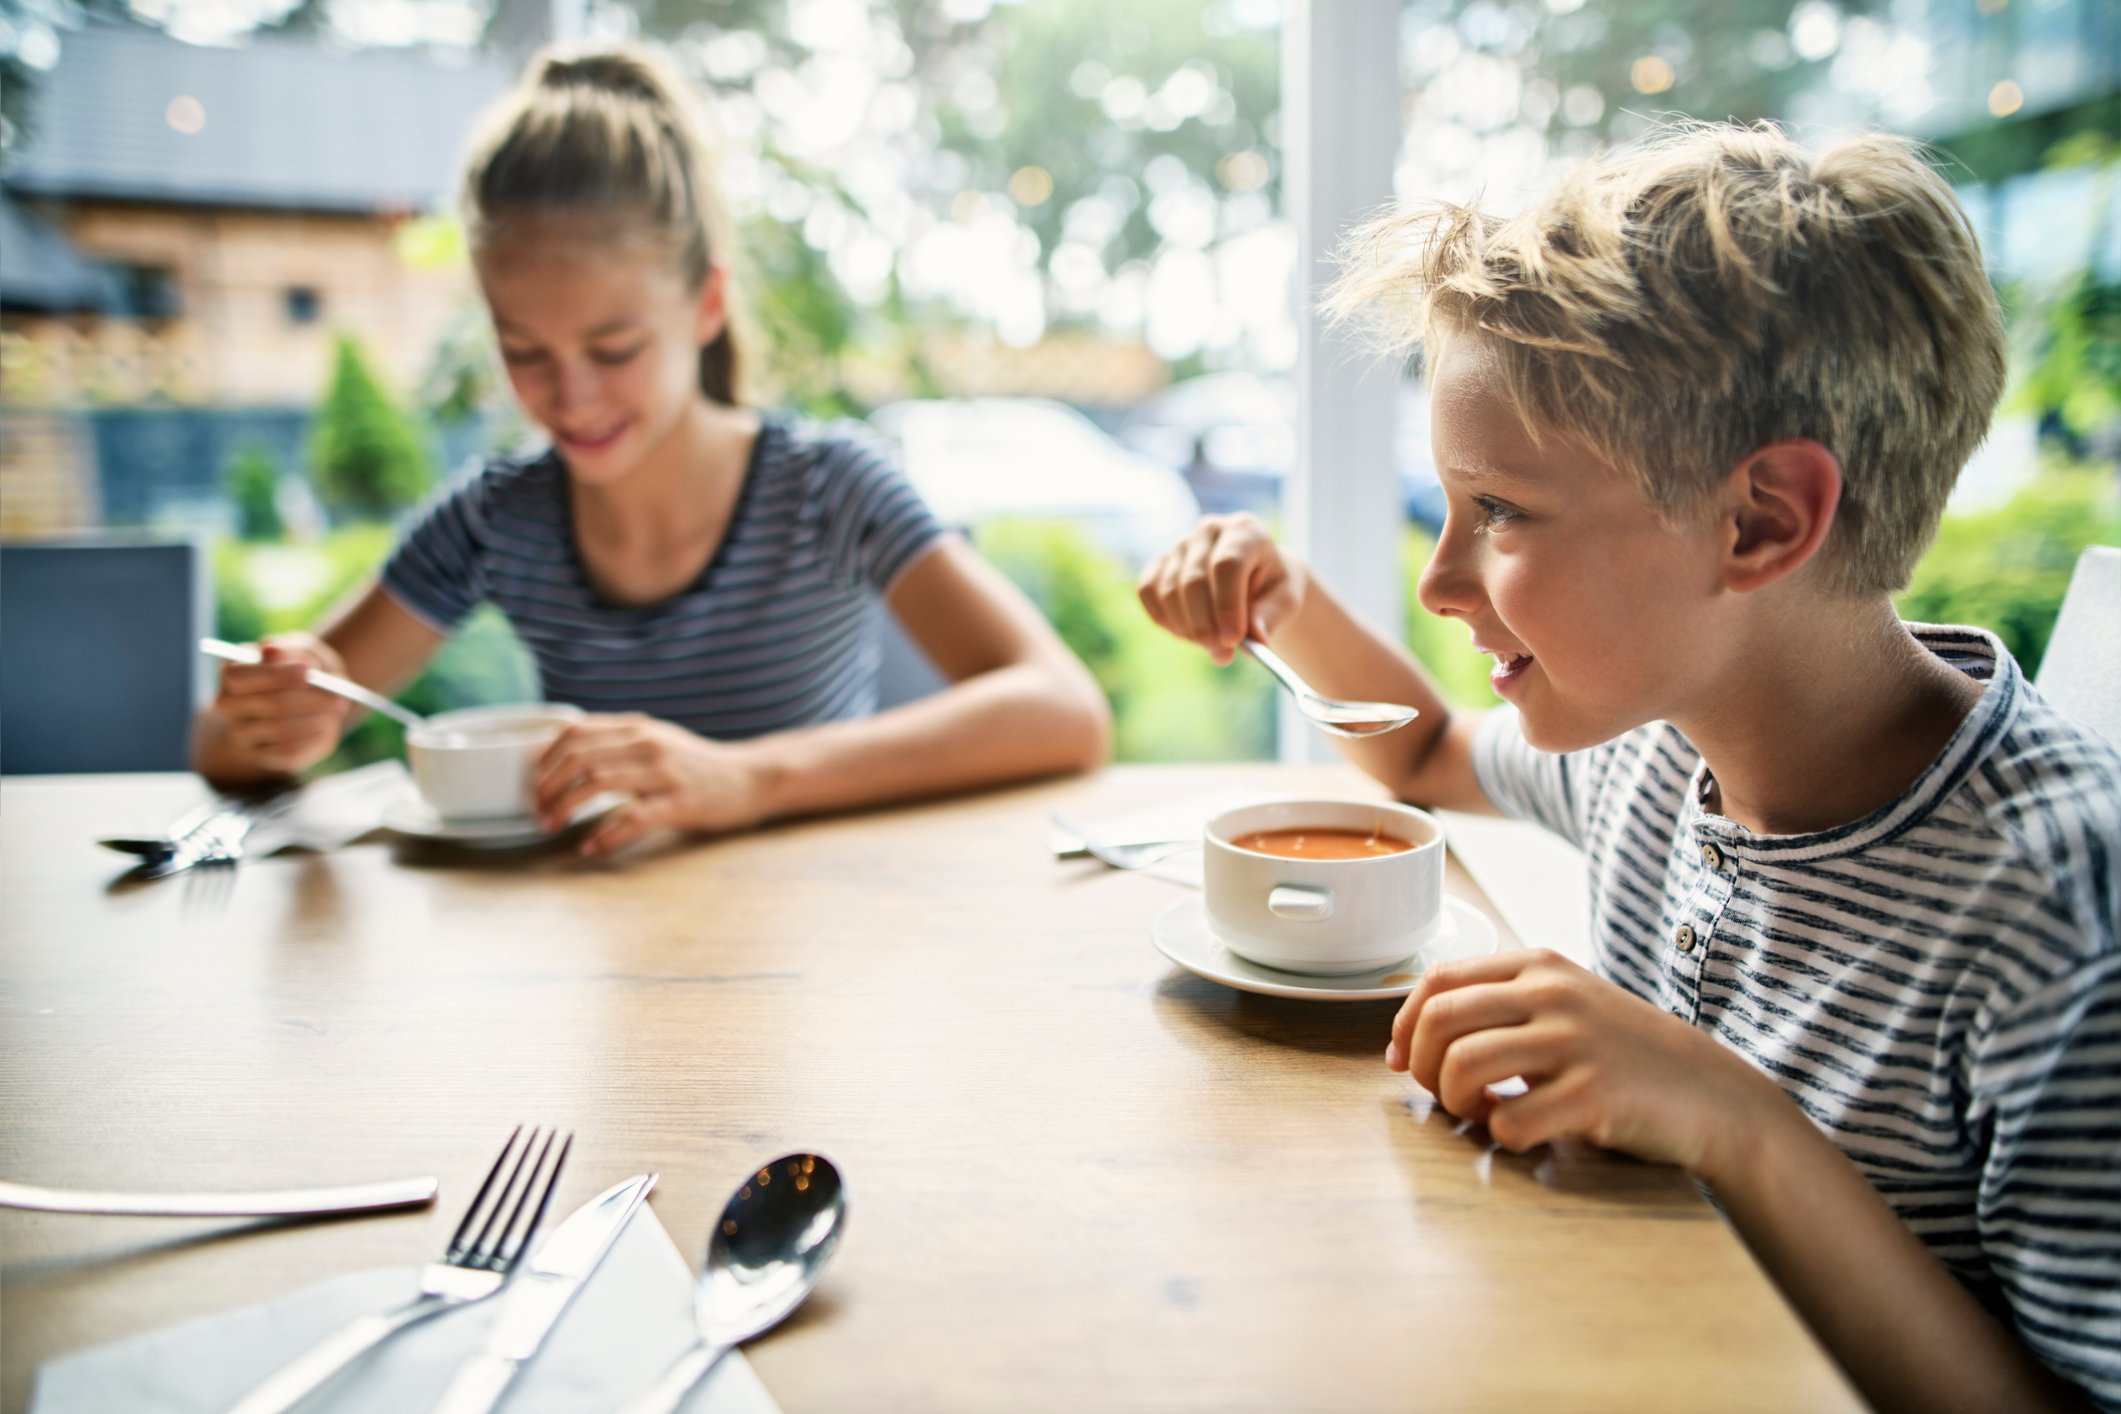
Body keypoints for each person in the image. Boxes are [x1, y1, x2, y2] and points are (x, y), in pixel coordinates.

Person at [1138, 124, 2120, 1412]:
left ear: (1762, 520)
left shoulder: (2060, 916)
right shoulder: (1659, 745)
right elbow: (1427, 752)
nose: (1439, 582)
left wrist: (1740, 1127)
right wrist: (1288, 596)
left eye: (1498, 513)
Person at [194, 45, 1110, 855]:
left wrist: (745, 780)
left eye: (614, 349)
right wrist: (277, 722)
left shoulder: (828, 487)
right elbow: (220, 753)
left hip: (816, 952)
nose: (571, 396)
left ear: (705, 305)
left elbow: (1064, 712)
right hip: (600, 963)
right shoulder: (495, 517)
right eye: (525, 352)